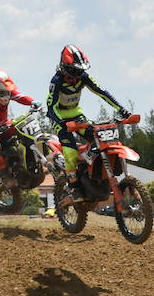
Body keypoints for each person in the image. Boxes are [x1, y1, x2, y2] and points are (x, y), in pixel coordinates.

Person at [46, 44, 129, 202]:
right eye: (75, 70)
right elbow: (51, 107)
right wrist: (62, 123)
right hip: (61, 119)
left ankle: (93, 172)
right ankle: (74, 186)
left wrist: (121, 108)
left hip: (77, 116)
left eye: (80, 70)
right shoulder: (56, 81)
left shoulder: (83, 77)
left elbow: (101, 91)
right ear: (65, 66)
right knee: (70, 153)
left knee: (100, 137)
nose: (78, 73)